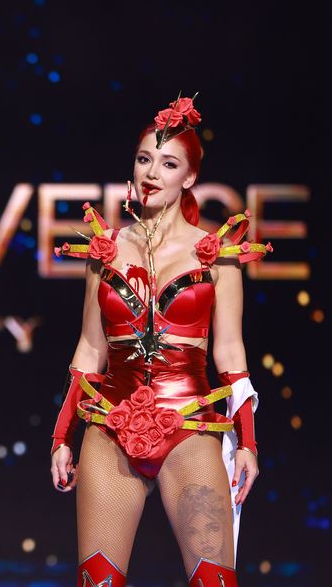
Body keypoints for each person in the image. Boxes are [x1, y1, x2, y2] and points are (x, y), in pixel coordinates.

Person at [49, 95, 272, 587]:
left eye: (168, 163)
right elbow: (89, 350)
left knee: (215, 580)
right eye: (144, 159)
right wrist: (61, 437)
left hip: (189, 428)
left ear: (188, 177)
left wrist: (249, 444)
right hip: (110, 426)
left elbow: (230, 355)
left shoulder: (218, 255)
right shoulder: (104, 250)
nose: (152, 172)